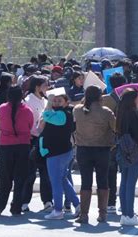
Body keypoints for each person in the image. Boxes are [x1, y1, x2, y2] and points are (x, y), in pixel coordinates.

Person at [74, 85, 116, 224]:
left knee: (86, 182)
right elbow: (116, 128)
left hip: (83, 149)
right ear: (100, 96)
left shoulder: (78, 110)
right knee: (102, 180)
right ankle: (102, 213)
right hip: (102, 149)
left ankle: (84, 214)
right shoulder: (106, 112)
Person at [0, 86, 33, 216]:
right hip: (23, 145)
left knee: (4, 178)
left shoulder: (3, 108)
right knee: (20, 178)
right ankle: (16, 207)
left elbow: (0, 123)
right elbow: (30, 126)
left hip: (6, 145)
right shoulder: (27, 110)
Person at [40, 92, 80, 220]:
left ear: (66, 102)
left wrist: (49, 103)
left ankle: (58, 210)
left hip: (57, 153)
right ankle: (77, 204)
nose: (56, 103)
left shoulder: (62, 114)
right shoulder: (65, 113)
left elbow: (45, 116)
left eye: (59, 101)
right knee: (62, 179)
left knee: (56, 182)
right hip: (62, 151)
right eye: (55, 101)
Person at [21, 75, 53, 213]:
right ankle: (24, 201)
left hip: (45, 139)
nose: (48, 87)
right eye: (45, 85)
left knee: (46, 173)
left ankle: (47, 200)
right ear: (37, 87)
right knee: (30, 173)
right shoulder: (28, 102)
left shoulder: (46, 101)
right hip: (32, 139)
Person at [116, 89, 138, 225]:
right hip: (134, 151)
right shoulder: (132, 114)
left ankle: (125, 213)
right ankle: (130, 214)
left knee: (124, 182)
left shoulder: (121, 113)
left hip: (123, 150)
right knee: (130, 184)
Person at [102, 73, 127, 214]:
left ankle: (110, 203)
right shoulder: (128, 98)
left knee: (110, 173)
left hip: (108, 140)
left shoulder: (104, 99)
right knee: (126, 173)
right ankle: (124, 203)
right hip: (124, 139)